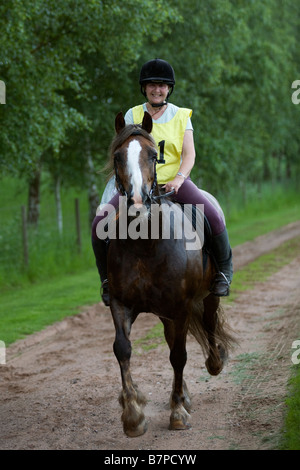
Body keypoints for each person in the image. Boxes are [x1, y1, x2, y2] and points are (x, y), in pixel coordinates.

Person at [92, 58, 233, 306]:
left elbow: (189, 154)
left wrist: (180, 178)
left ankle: (223, 272)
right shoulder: (132, 114)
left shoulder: (180, 116)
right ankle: (107, 281)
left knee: (212, 216)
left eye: (162, 85)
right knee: (98, 226)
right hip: (137, 186)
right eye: (152, 85)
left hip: (173, 183)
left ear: (169, 89)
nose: (157, 89)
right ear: (144, 88)